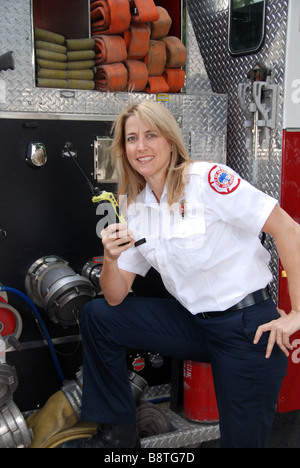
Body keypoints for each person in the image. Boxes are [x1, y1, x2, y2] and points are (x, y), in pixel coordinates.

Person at [63, 100, 300, 448]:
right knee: (98, 315)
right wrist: (110, 259)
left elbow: (288, 229)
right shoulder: (135, 205)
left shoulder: (207, 180)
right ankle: (118, 434)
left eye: (150, 135)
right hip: (196, 325)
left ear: (170, 141)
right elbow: (115, 296)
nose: (141, 146)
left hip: (246, 329)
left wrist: (296, 314)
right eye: (131, 139)